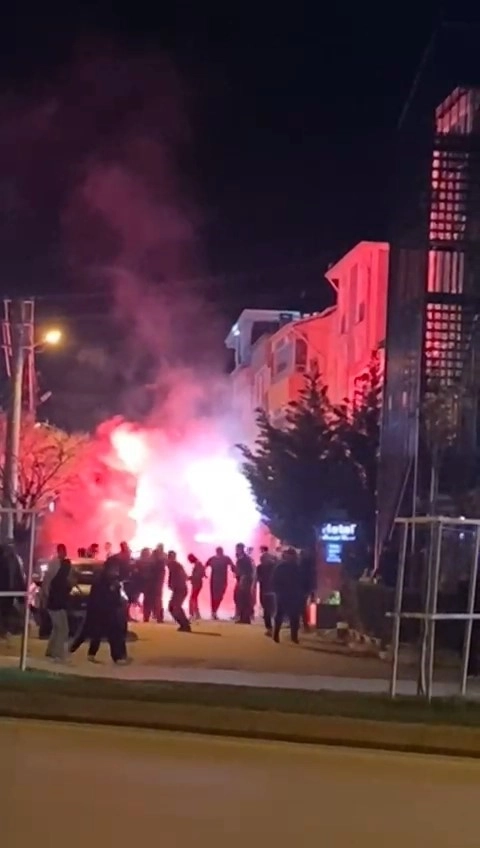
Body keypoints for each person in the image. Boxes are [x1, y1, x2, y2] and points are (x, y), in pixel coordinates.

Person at [70, 558, 130, 664]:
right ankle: (73, 650)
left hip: (109, 612)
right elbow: (98, 597)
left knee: (114, 634)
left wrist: (117, 601)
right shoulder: (101, 581)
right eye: (114, 569)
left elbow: (116, 598)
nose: (115, 571)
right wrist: (111, 591)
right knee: (89, 633)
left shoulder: (114, 582)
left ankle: (117, 657)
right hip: (97, 612)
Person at [45, 543, 74, 662]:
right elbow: (47, 583)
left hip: (58, 602)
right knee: (62, 628)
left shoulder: (63, 566)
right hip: (55, 602)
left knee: (58, 628)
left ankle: (51, 650)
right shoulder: (55, 566)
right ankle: (57, 654)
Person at [272, 548, 303, 644]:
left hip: (293, 593)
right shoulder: (281, 567)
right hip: (284, 593)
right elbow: (274, 579)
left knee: (294, 616)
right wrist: (277, 590)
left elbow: (302, 581)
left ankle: (294, 636)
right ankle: (276, 634)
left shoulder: (297, 567)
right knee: (280, 614)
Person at [206, 547, 234, 619]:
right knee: (215, 596)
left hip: (221, 580)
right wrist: (203, 574)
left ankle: (214, 611)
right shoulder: (213, 559)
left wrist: (236, 572)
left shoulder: (225, 558)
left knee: (219, 596)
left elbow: (232, 566)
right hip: (215, 581)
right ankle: (214, 612)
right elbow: (205, 566)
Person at [167, 550, 191, 632]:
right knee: (173, 607)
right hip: (179, 589)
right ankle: (184, 624)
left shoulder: (175, 565)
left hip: (180, 589)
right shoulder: (174, 565)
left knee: (174, 607)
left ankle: (185, 625)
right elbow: (185, 576)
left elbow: (183, 576)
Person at [257, 546, 277, 636]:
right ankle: (270, 628)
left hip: (269, 591)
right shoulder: (272, 566)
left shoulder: (272, 567)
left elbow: (258, 579)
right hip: (268, 591)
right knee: (268, 610)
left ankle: (270, 628)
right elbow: (258, 578)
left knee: (269, 610)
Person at [143, 544, 166, 623]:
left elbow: (146, 574)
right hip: (156, 585)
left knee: (149, 601)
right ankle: (158, 617)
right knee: (157, 600)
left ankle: (147, 617)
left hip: (150, 584)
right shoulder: (161, 563)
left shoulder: (149, 563)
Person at [234, 543, 255, 624]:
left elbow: (248, 571)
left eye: (238, 549)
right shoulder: (241, 558)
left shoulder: (245, 559)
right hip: (241, 580)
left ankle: (245, 618)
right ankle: (243, 617)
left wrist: (243, 579)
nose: (236, 550)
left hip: (244, 580)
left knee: (244, 599)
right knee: (240, 598)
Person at [187, 553, 205, 621]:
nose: (189, 561)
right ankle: (197, 614)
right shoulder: (198, 564)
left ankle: (192, 614)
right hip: (197, 583)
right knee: (194, 599)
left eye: (189, 559)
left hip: (197, 584)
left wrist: (190, 578)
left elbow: (198, 575)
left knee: (192, 599)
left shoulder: (198, 564)